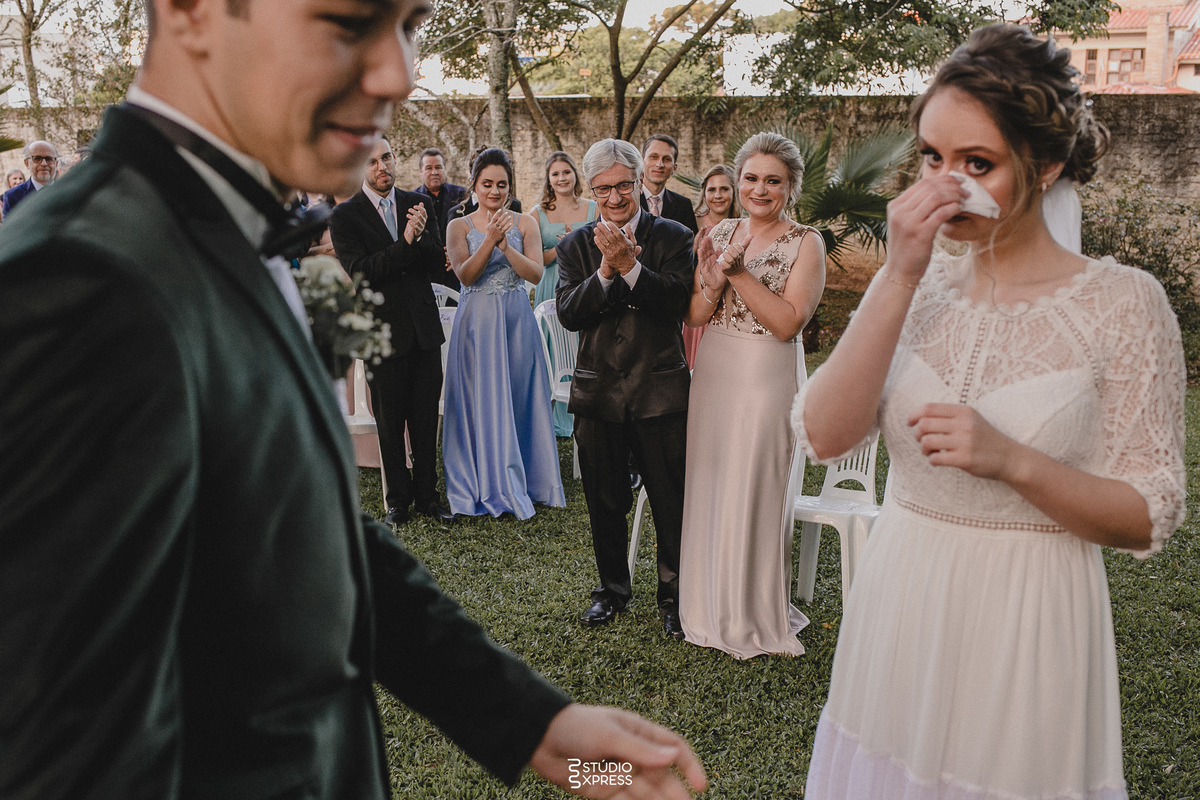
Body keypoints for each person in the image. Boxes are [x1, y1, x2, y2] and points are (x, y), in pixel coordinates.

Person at [0, 0, 710, 797]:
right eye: (347, 21)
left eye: (409, 25)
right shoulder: (73, 283)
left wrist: (532, 723)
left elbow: (303, 529)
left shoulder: (228, 227)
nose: (398, 74)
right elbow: (60, 744)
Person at [795, 24, 1185, 800]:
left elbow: (1151, 512)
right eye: (933, 158)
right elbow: (824, 434)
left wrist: (1014, 459)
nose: (948, 185)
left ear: (1045, 167)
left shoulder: (1123, 304)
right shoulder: (917, 282)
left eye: (978, 164)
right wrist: (899, 274)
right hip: (902, 596)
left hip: (1029, 616)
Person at [678, 134, 826, 659]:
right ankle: (705, 604)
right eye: (751, 178)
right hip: (714, 370)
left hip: (765, 373)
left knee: (754, 484)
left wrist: (737, 273)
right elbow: (695, 315)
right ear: (736, 181)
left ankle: (750, 612)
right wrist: (713, 279)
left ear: (790, 187)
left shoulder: (806, 242)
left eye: (772, 181)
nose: (759, 189)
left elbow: (788, 323)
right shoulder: (720, 230)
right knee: (713, 479)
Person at [556, 138, 695, 638]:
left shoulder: (675, 236)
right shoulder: (574, 246)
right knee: (605, 500)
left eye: (623, 185)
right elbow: (570, 314)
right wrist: (606, 270)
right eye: (603, 189)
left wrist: (633, 267)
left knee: (669, 501)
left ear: (640, 182)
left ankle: (675, 597)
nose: (615, 198)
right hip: (599, 394)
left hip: (660, 392)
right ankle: (611, 592)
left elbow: (676, 302)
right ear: (592, 191)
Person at [329, 136, 455, 526]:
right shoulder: (345, 216)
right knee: (389, 420)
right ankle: (397, 502)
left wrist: (422, 237)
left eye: (387, 157)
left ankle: (429, 498)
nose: (382, 166)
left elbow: (437, 263)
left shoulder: (419, 203)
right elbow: (364, 272)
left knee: (423, 418)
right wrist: (406, 242)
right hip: (381, 334)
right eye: (372, 161)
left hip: (423, 329)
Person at [442, 148, 566, 518]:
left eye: (502, 185)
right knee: (481, 397)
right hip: (477, 322)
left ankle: (530, 479)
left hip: (515, 320)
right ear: (474, 186)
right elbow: (465, 275)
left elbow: (535, 274)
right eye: (487, 184)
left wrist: (505, 246)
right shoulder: (458, 226)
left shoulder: (525, 223)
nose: (494, 191)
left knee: (519, 394)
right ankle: (482, 479)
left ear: (510, 187)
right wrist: (489, 239)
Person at [533, 150, 597, 438]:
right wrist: (561, 247)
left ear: (575, 175)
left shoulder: (593, 208)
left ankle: (586, 407)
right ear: (549, 179)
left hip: (585, 283)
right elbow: (533, 259)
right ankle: (556, 410)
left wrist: (578, 244)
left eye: (566, 172)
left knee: (584, 344)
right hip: (551, 285)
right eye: (555, 173)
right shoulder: (537, 214)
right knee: (553, 348)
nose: (561, 178)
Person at [683, 164, 741, 368]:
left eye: (724, 189)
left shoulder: (742, 225)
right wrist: (692, 252)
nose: (718, 195)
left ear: (734, 192)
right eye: (712, 189)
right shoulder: (692, 223)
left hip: (731, 308)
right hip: (700, 303)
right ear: (704, 193)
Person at [412, 146, 468, 291]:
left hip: (459, 268)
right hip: (428, 269)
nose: (434, 172)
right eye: (428, 168)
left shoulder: (462, 196)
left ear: (445, 169)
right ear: (420, 172)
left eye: (438, 167)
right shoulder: (413, 200)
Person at [639, 133, 698, 233]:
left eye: (667, 159)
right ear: (642, 161)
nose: (659, 164)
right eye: (654, 157)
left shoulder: (683, 205)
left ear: (674, 168)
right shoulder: (628, 200)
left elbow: (689, 244)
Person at [1, 140, 57, 217]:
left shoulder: (70, 191)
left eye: (48, 159)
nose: (44, 163)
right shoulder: (13, 196)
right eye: (37, 158)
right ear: (27, 163)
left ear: (56, 163)